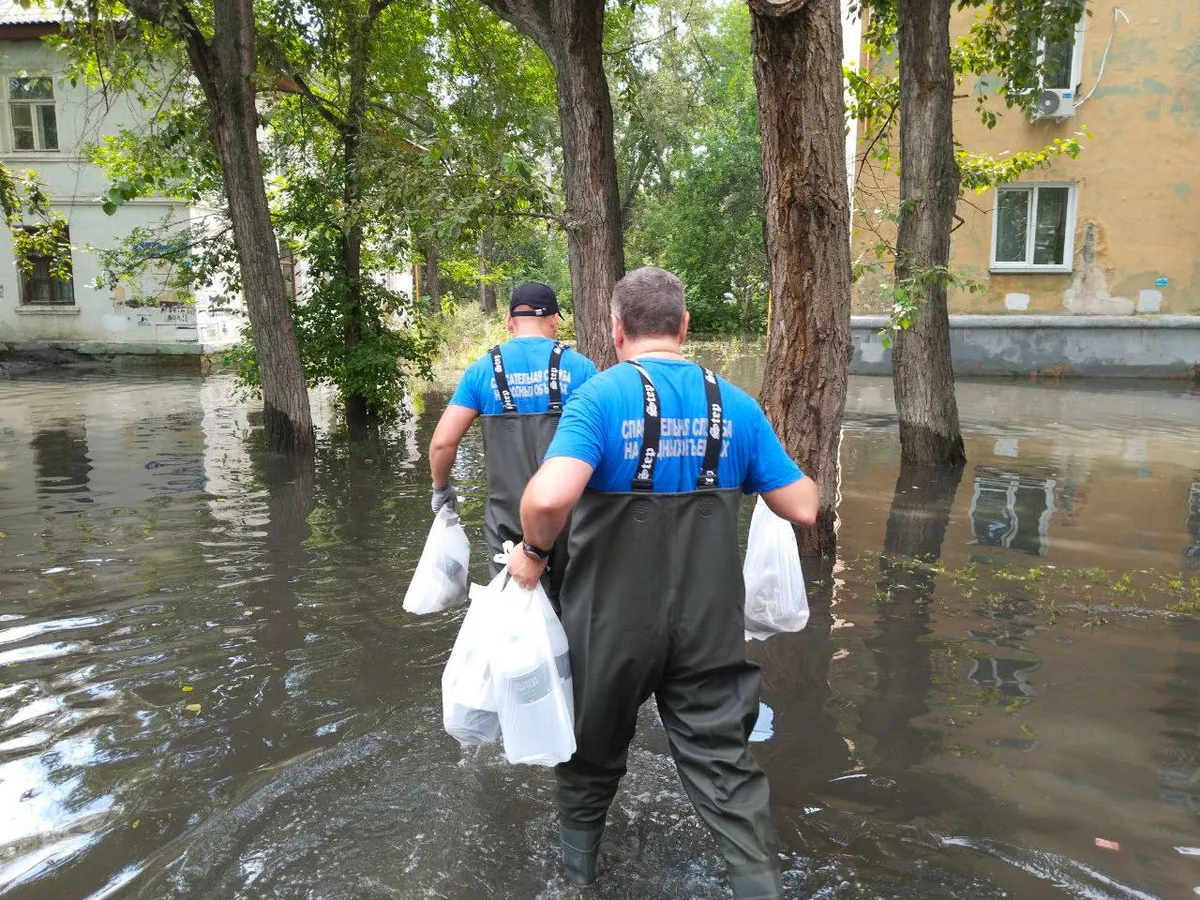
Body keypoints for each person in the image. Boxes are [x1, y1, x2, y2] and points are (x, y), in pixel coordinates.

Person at [508, 266, 818, 900]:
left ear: (616, 330)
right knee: (725, 771)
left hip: (610, 626)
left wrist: (534, 554)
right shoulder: (735, 404)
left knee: (589, 759)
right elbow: (803, 506)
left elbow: (545, 499)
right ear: (684, 326)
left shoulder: (599, 397)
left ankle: (578, 882)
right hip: (708, 628)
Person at [429, 282, 597, 600]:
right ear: (554, 321)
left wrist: (441, 490)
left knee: (513, 610)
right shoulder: (581, 369)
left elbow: (442, 444)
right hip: (569, 517)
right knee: (574, 606)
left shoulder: (481, 371)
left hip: (506, 521)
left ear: (509, 322)